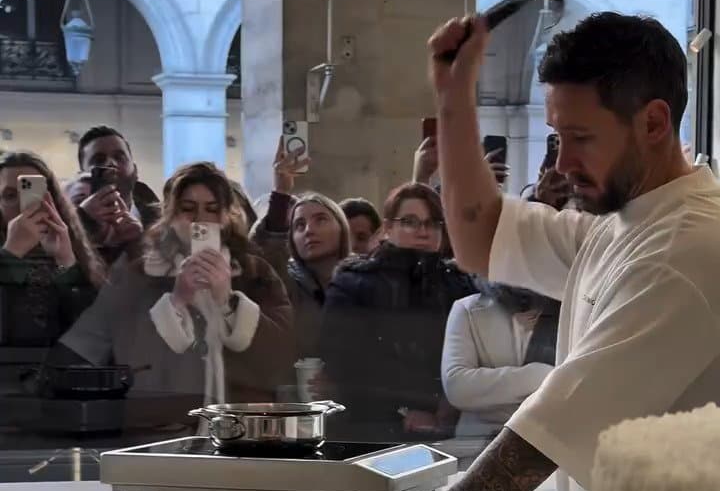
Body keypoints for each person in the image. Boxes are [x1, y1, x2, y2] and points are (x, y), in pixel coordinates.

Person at [300, 11, 720, 491]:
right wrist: (453, 97)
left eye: (581, 138)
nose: (563, 162)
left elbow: (549, 428)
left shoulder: (688, 248)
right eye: (555, 136)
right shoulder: (621, 223)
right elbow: (480, 236)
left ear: (653, 122)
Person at [59, 161, 294, 406]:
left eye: (212, 209)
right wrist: (177, 300)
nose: (199, 219)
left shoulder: (253, 271)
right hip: (160, 421)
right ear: (170, 215)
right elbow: (104, 338)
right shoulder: (138, 272)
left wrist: (228, 303)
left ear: (226, 217)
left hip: (238, 421)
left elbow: (280, 351)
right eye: (188, 208)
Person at [320, 183, 474, 443]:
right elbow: (345, 361)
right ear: (388, 228)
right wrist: (405, 410)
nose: (423, 232)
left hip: (450, 426)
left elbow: (471, 355)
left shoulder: (459, 284)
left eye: (433, 223)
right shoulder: (354, 282)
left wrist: (447, 407)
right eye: (410, 222)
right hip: (371, 428)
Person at [250, 141, 351, 358]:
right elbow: (264, 256)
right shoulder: (287, 285)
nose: (308, 231)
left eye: (320, 220)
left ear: (342, 227)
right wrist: (281, 193)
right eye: (299, 225)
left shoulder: (361, 280)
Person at [0, 150, 104, 345]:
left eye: (31, 194)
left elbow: (91, 337)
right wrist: (10, 256)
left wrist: (66, 264)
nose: (22, 205)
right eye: (10, 195)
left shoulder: (70, 250)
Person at [441, 281, 558, 445]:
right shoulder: (467, 309)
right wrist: (542, 376)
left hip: (551, 446)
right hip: (478, 445)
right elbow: (457, 387)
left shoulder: (571, 309)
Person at [75, 124, 160, 264]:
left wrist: (139, 244)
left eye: (119, 157)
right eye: (99, 160)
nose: (111, 163)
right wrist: (83, 222)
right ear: (82, 175)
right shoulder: (64, 225)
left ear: (135, 170)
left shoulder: (162, 223)